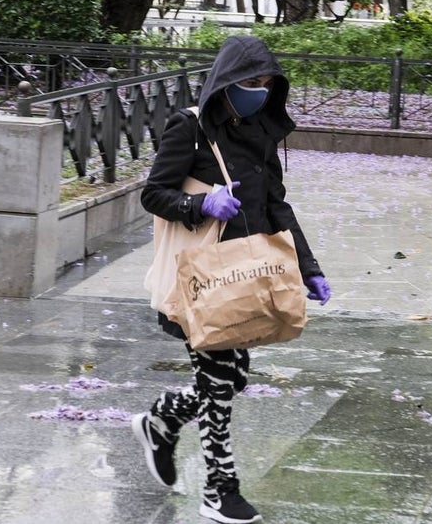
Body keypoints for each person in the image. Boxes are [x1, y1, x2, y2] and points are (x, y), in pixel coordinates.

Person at [132, 35, 331, 524]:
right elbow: (153, 194)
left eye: (266, 84)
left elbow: (276, 205)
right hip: (203, 276)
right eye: (249, 82)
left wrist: (309, 267)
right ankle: (220, 490)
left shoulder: (262, 131)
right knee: (219, 384)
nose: (258, 91)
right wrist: (201, 205)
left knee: (234, 379)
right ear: (225, 82)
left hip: (249, 275)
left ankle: (161, 419)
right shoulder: (191, 129)